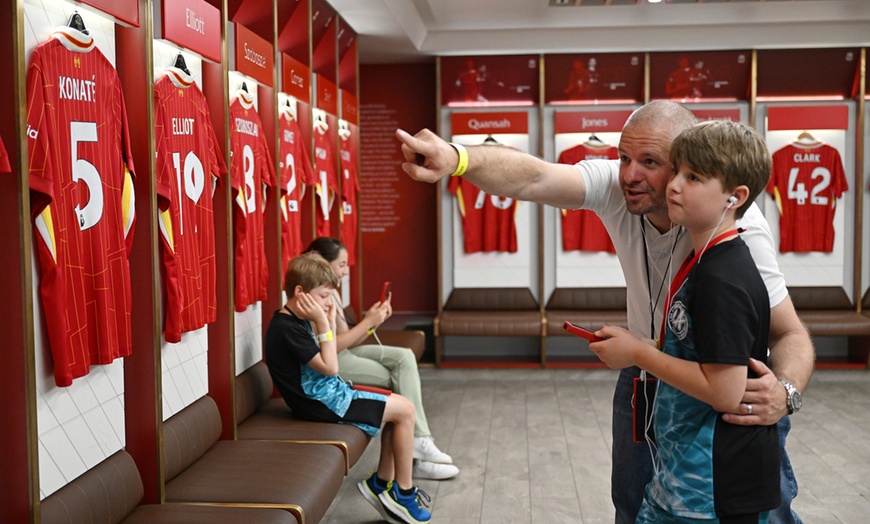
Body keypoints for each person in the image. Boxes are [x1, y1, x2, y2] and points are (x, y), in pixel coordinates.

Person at [395, 99, 814, 524]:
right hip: (646, 375)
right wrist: (458, 158)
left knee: (760, 510)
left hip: (724, 400)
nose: (630, 174)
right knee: (634, 508)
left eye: (651, 162)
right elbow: (533, 176)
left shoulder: (739, 230)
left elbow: (789, 334)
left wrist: (787, 393)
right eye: (623, 157)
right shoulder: (621, 187)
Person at [589, 119, 781, 522]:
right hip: (694, 477)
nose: (674, 185)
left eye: (693, 177)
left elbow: (726, 391)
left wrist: (638, 352)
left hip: (710, 485)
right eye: (676, 171)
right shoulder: (706, 262)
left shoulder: (721, 278)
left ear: (735, 197)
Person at [264, 253, 432, 524]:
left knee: (400, 407)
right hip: (319, 404)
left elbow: (326, 356)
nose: (328, 302)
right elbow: (331, 366)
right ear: (300, 292)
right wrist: (321, 322)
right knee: (405, 410)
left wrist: (327, 320)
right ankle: (403, 493)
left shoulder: (296, 318)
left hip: (330, 396)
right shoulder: (286, 327)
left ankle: (382, 484)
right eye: (324, 296)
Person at [304, 237, 460, 481]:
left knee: (405, 358)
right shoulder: (312, 295)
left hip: (345, 351)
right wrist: (368, 322)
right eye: (341, 264)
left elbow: (346, 337)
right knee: (397, 378)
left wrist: (373, 323)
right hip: (334, 361)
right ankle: (414, 457)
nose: (346, 271)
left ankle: (419, 441)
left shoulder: (331, 291)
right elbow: (329, 349)